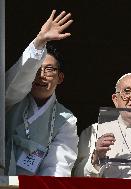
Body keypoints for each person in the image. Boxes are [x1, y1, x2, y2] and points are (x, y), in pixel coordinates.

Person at [5, 10, 79, 176]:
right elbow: (17, 80)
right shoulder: (11, 99)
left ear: (60, 78)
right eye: (36, 70)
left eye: (49, 69)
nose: (41, 75)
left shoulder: (66, 119)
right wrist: (39, 42)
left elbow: (58, 166)